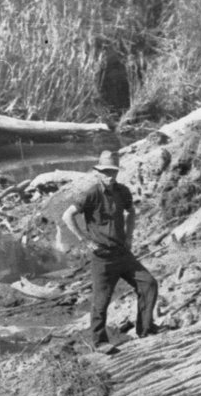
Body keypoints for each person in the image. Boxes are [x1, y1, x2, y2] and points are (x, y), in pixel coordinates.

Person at [61, 151, 159, 353]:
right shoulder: (91, 193)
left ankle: (145, 328)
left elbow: (131, 211)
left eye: (112, 172)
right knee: (101, 300)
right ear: (98, 172)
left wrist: (130, 236)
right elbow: (67, 215)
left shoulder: (123, 192)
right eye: (105, 172)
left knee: (148, 283)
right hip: (102, 256)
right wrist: (84, 241)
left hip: (122, 252)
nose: (109, 176)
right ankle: (100, 342)